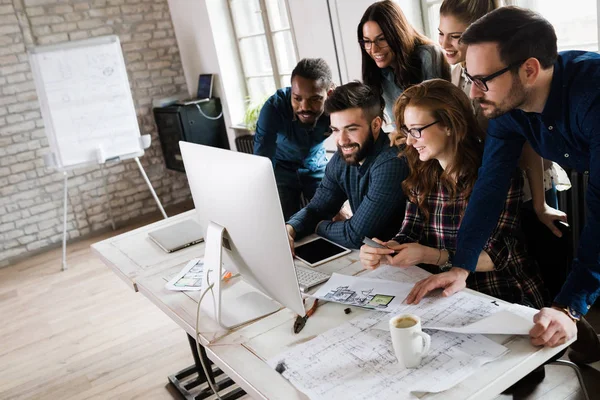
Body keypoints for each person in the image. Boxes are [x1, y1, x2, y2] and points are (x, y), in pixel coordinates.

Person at [407, 6, 600, 360]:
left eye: (484, 80)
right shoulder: (507, 108)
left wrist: (569, 307)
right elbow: (489, 188)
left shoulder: (593, 97)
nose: (474, 93)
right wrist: (461, 266)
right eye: (469, 77)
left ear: (528, 70)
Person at [360, 79, 548, 309]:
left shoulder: (496, 177)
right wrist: (388, 249)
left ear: (449, 125)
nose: (409, 141)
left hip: (500, 293)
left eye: (417, 130)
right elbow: (410, 231)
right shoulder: (422, 173)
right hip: (444, 294)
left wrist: (430, 255)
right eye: (408, 131)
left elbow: (496, 256)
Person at [438, 0, 570, 240]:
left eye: (456, 36)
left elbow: (529, 145)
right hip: (498, 178)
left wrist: (540, 205)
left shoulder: (506, 83)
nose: (445, 44)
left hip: (529, 185)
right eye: (441, 34)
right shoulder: (456, 73)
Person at [286, 82, 409, 250]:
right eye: (336, 130)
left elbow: (355, 236)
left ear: (375, 124)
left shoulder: (392, 162)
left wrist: (318, 226)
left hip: (409, 265)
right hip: (370, 260)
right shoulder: (342, 158)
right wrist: (290, 229)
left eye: (351, 129)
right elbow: (317, 208)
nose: (342, 140)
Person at [254, 58, 334, 220]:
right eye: (297, 98)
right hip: (281, 169)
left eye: (314, 99)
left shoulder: (340, 106)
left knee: (331, 214)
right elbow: (262, 155)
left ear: (329, 94)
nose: (304, 107)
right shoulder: (273, 107)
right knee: (284, 221)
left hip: (316, 166)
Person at [358, 0, 450, 128]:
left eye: (382, 39)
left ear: (397, 35)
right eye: (367, 41)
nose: (373, 50)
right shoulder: (377, 70)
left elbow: (437, 118)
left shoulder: (428, 56)